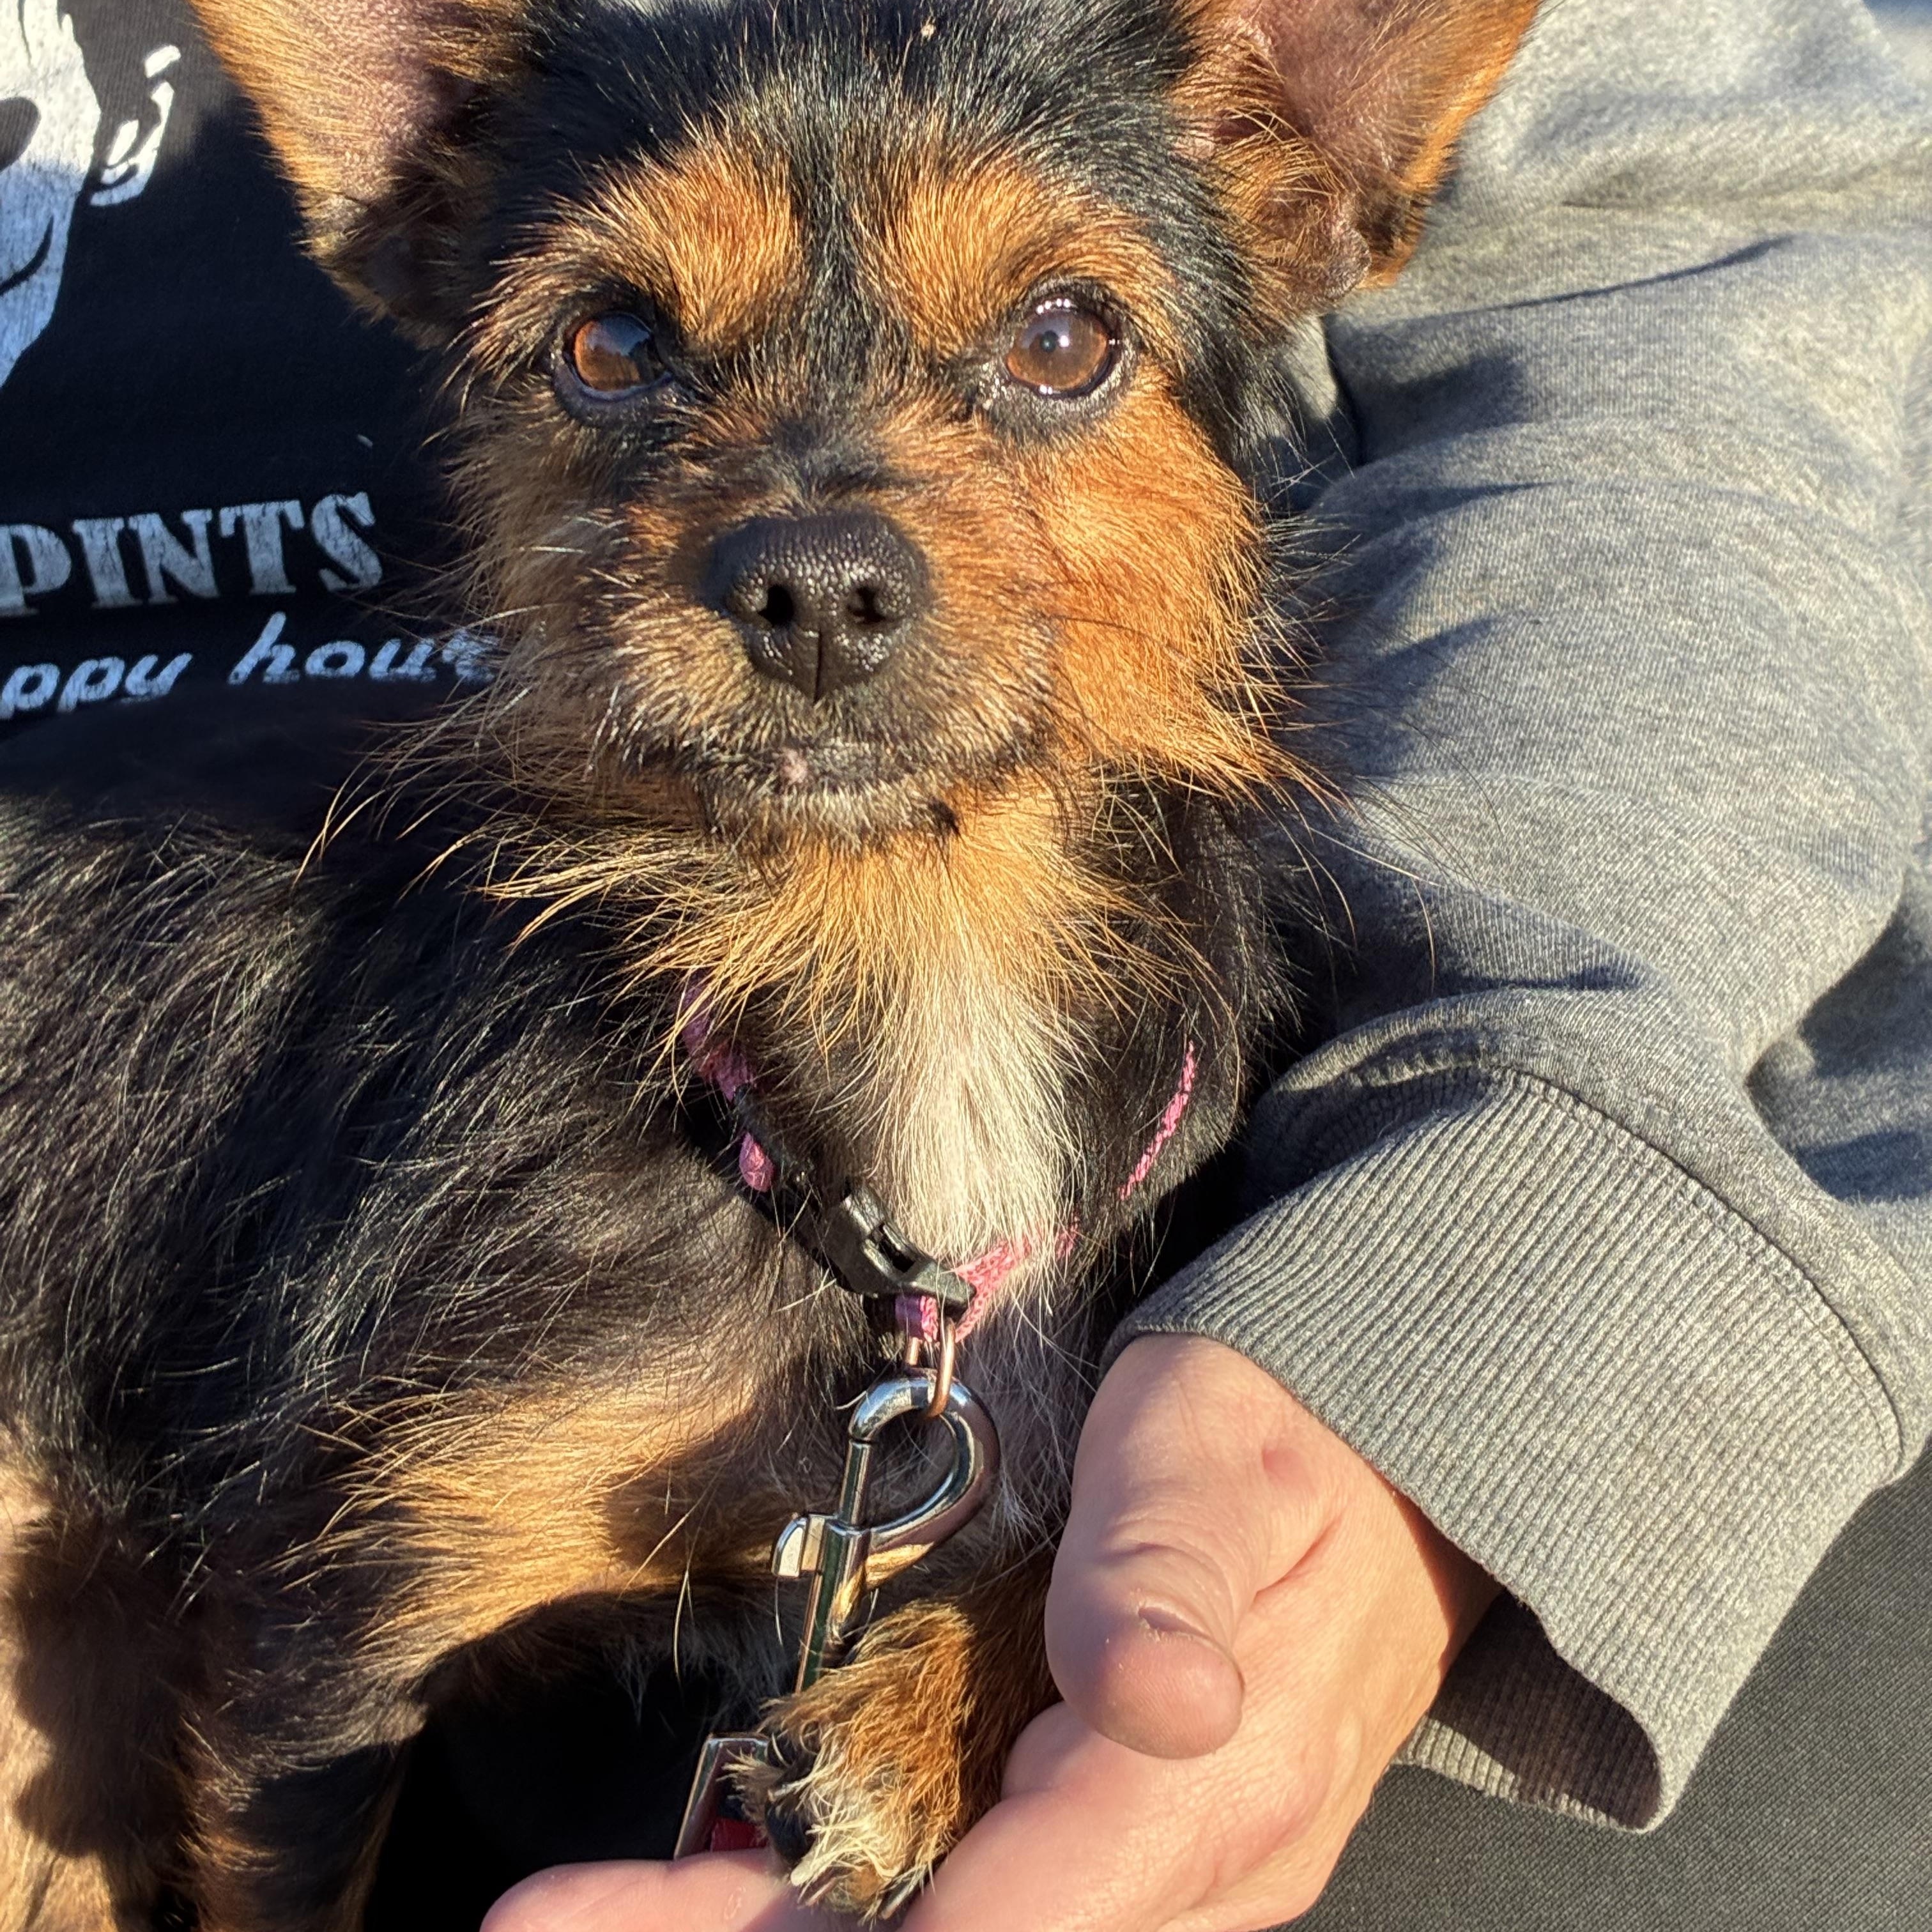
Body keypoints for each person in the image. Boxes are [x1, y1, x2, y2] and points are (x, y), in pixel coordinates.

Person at [3, 3, 1928, 1929]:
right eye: (621, 344)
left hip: (1411, 1014)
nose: (813, 552)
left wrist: (1479, 1260)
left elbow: (1685, 304)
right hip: (240, 1004)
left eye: (1055, 341)